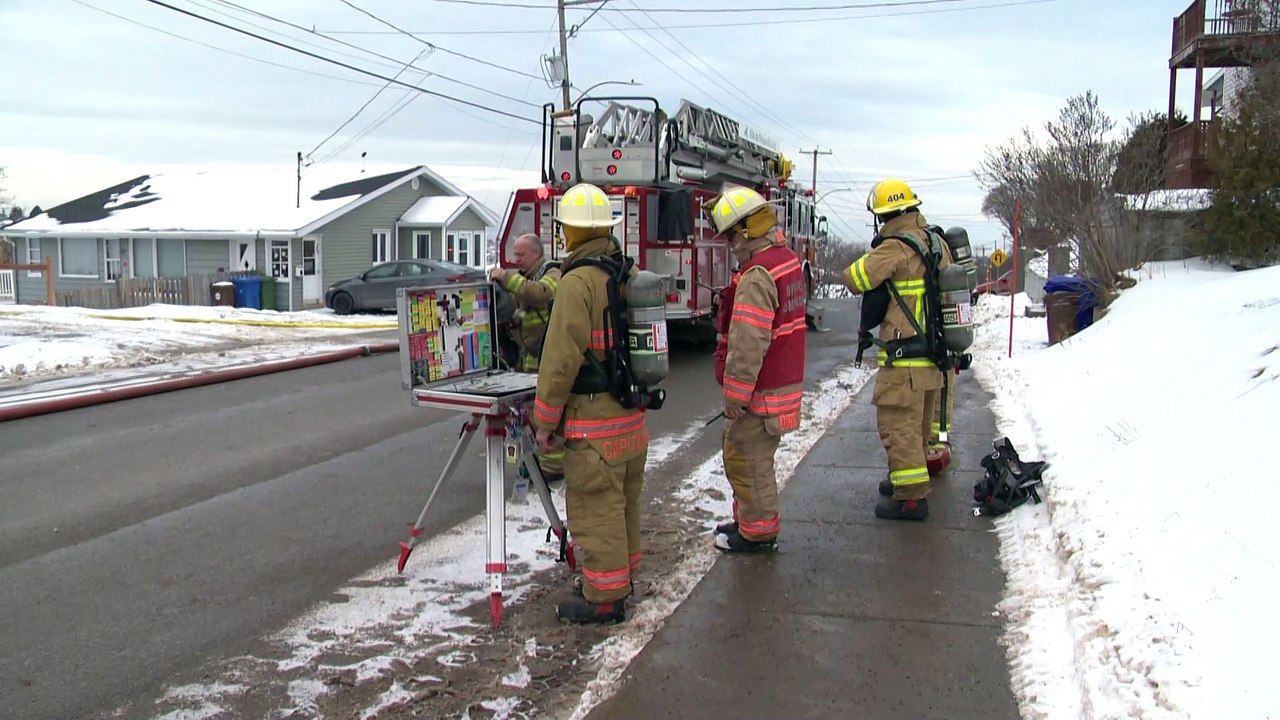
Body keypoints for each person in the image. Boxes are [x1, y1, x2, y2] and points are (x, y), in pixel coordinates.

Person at [532, 182, 648, 624]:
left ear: (571, 232)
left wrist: (545, 421)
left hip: (595, 425)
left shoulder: (577, 282)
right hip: (630, 418)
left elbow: (560, 360)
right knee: (624, 504)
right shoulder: (627, 273)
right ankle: (624, 575)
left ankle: (605, 596)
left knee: (595, 508)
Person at [842, 178, 950, 521]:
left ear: (884, 215)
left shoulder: (896, 247)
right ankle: (906, 484)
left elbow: (854, 278)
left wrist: (875, 250)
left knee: (898, 428)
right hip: (932, 357)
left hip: (904, 360)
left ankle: (910, 499)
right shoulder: (936, 242)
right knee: (917, 429)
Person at [706, 186, 806, 553]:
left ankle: (757, 533)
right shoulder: (785, 259)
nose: (730, 243)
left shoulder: (757, 274)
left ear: (746, 229)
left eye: (731, 234)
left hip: (760, 392)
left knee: (747, 460)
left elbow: (748, 343)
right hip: (779, 384)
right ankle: (749, 520)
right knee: (749, 458)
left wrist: (735, 396)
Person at [490, 233, 564, 480]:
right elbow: (520, 310)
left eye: (521, 254)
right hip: (527, 359)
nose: (516, 259)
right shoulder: (525, 278)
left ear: (536, 253)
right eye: (515, 254)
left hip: (547, 357)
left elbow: (542, 294)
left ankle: (553, 467)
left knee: (546, 411)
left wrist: (506, 277)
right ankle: (534, 464)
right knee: (528, 415)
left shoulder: (552, 273)